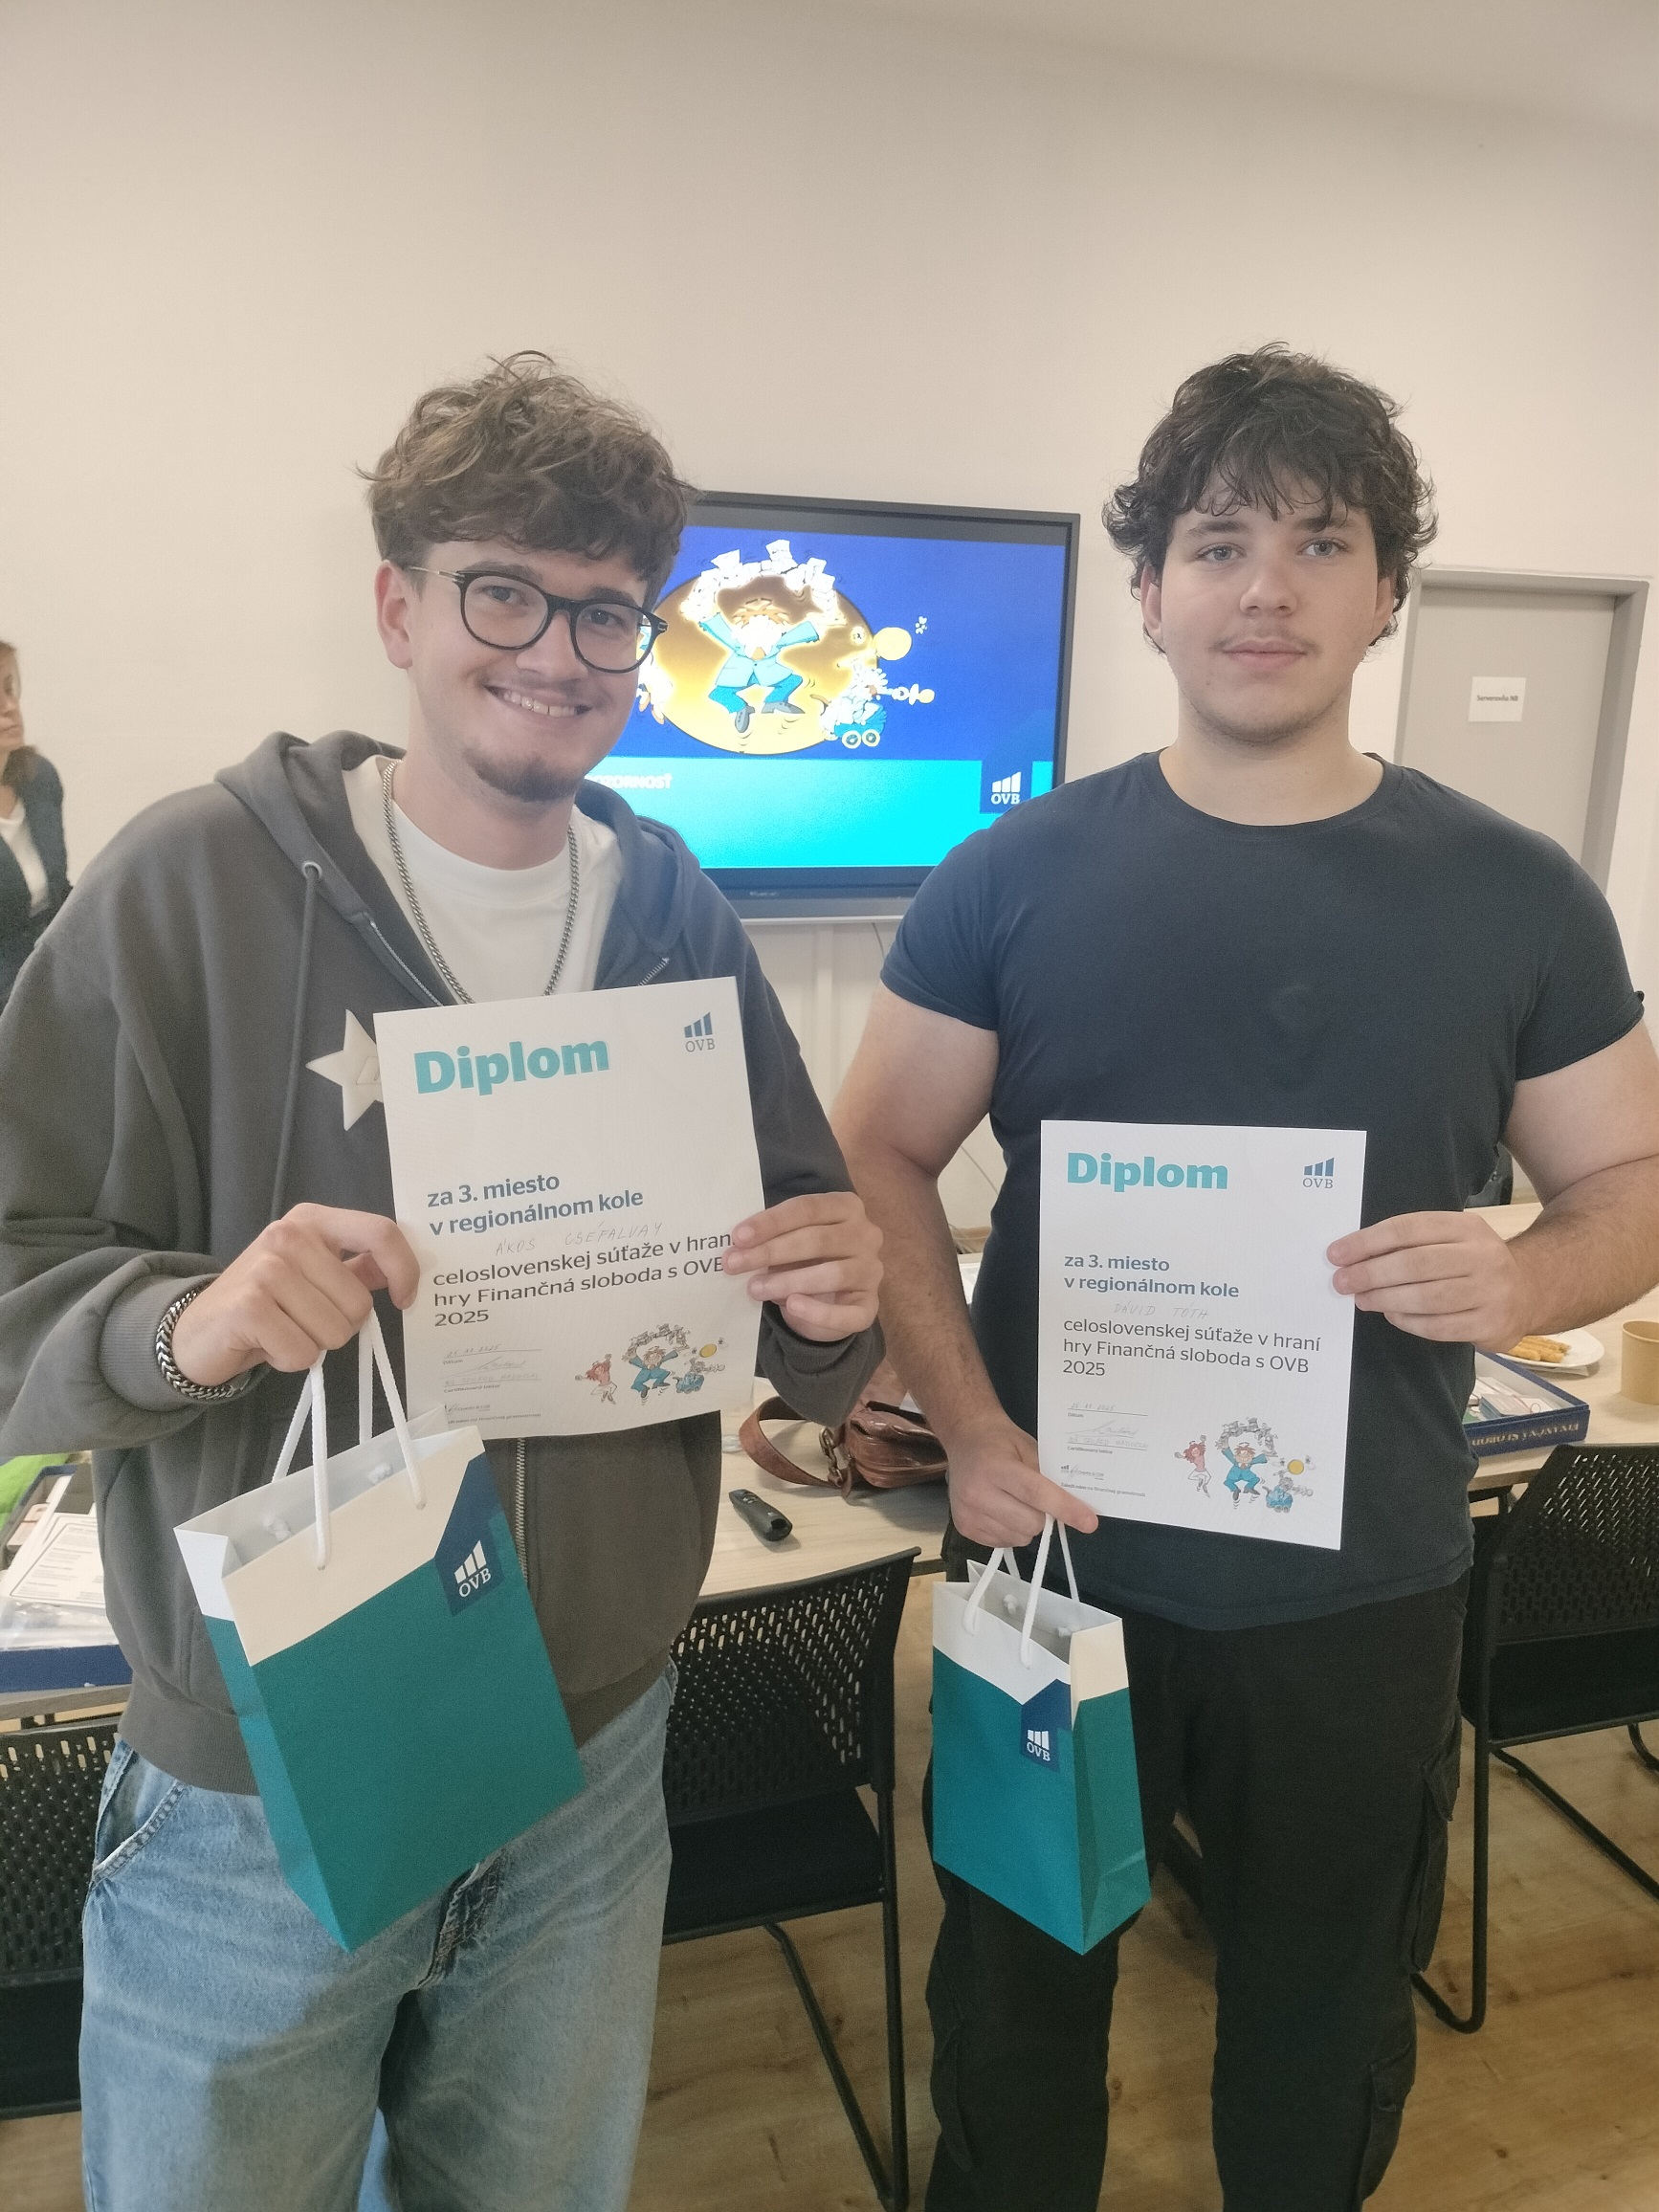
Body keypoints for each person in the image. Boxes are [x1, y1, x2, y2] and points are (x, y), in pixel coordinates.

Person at [0, 353, 884, 2212]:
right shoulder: (186, 887)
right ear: (398, 606)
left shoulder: (679, 914)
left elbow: (802, 1265)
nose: (557, 650)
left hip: (591, 1756)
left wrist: (830, 1302)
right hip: (271, 1771)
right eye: (502, 592)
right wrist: (184, 1322)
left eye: (607, 610)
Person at [832, 344, 1659, 2211]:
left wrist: (1523, 1272)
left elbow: (1630, 1184)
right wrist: (962, 1426)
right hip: (1054, 1572)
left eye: (1318, 540)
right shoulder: (1008, 875)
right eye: (1215, 544)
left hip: (1360, 1594)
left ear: (1387, 588)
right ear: (1147, 590)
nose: (1263, 588)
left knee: (1317, 2034)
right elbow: (874, 1150)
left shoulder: (1519, 895)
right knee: (1013, 2018)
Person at [0, 639, 70, 1005]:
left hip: (53, 977)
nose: (10, 707)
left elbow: (58, 893)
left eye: (9, 689)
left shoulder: (39, 778)